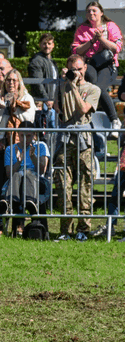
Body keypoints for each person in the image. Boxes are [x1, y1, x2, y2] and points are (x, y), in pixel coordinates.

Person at [54, 55, 101, 241]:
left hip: (84, 142)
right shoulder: (61, 87)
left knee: (84, 187)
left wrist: (73, 86)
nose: (78, 73)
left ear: (85, 68)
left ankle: (84, 229)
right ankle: (66, 230)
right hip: (65, 140)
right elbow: (59, 110)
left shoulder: (93, 89)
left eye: (80, 69)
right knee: (63, 187)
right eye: (74, 69)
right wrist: (64, 83)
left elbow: (83, 109)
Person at [0, 129, 50, 236]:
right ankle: (9, 203)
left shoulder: (41, 146)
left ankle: (29, 202)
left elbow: (42, 170)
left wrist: (33, 157)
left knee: (27, 173)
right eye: (22, 135)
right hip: (16, 182)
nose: (25, 138)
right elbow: (9, 174)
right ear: (18, 136)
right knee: (17, 174)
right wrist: (19, 161)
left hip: (36, 181)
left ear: (34, 136)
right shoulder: (11, 148)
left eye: (28, 135)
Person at [71, 1, 122, 94]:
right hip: (90, 64)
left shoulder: (110, 26)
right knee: (93, 87)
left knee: (99, 89)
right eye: (88, 11)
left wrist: (100, 38)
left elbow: (116, 48)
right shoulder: (81, 29)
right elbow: (76, 51)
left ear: (101, 13)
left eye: (94, 11)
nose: (91, 13)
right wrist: (91, 41)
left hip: (107, 65)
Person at [0, 68, 36, 137]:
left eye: (14, 80)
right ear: (4, 82)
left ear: (19, 83)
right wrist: (0, 109)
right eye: (8, 80)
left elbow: (29, 121)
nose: (11, 83)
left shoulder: (27, 98)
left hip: (21, 141)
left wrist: (15, 110)